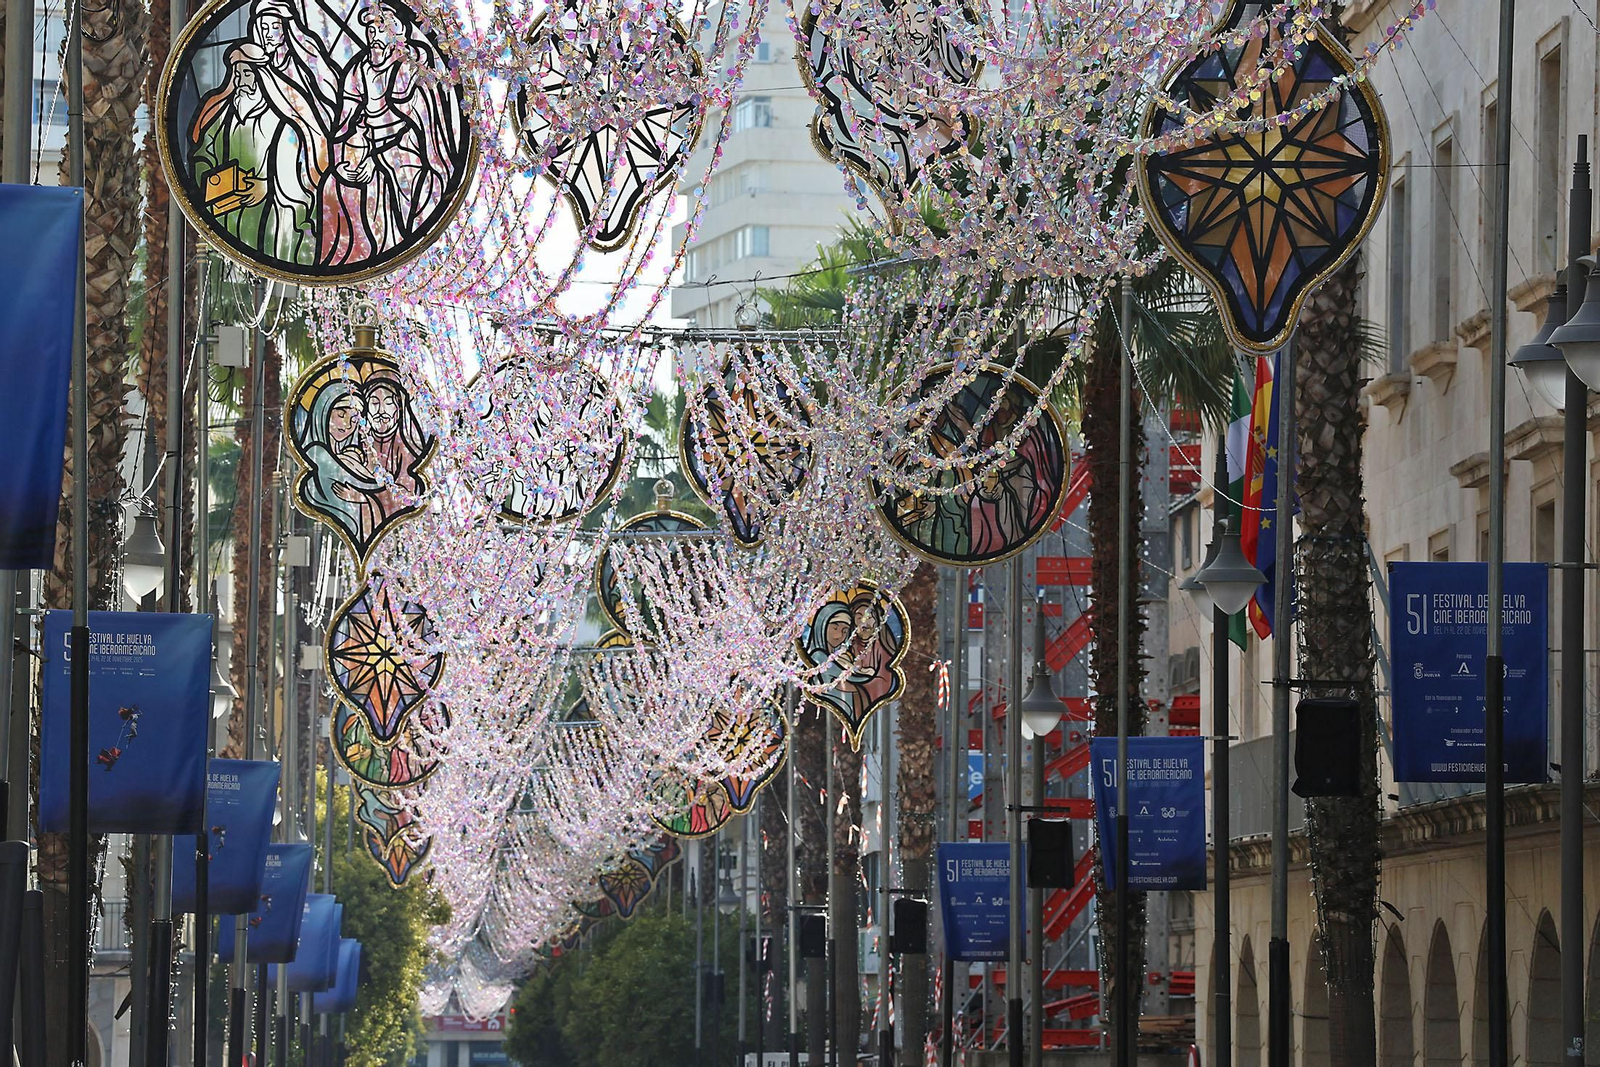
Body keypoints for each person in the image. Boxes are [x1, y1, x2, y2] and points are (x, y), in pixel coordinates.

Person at [317, 0, 461, 265]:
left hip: (409, 158)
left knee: (401, 213)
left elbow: (419, 128)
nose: (373, 37)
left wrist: (378, 156)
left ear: (399, 33)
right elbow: (345, 121)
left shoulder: (411, 68)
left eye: (381, 29)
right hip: (371, 153)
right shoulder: (359, 70)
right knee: (335, 188)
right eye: (370, 31)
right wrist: (339, 161)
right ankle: (343, 258)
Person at [189, 42, 324, 263]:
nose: (241, 81)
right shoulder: (224, 115)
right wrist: (211, 184)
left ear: (262, 76)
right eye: (237, 74)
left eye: (247, 74)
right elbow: (203, 153)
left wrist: (267, 185)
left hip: (270, 216)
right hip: (227, 216)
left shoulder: (282, 122)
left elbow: (300, 173)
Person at [296, 380, 386, 548]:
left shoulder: (350, 456)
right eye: (341, 414)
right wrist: (364, 496)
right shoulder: (317, 454)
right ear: (324, 411)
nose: (347, 425)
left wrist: (362, 496)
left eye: (354, 420)